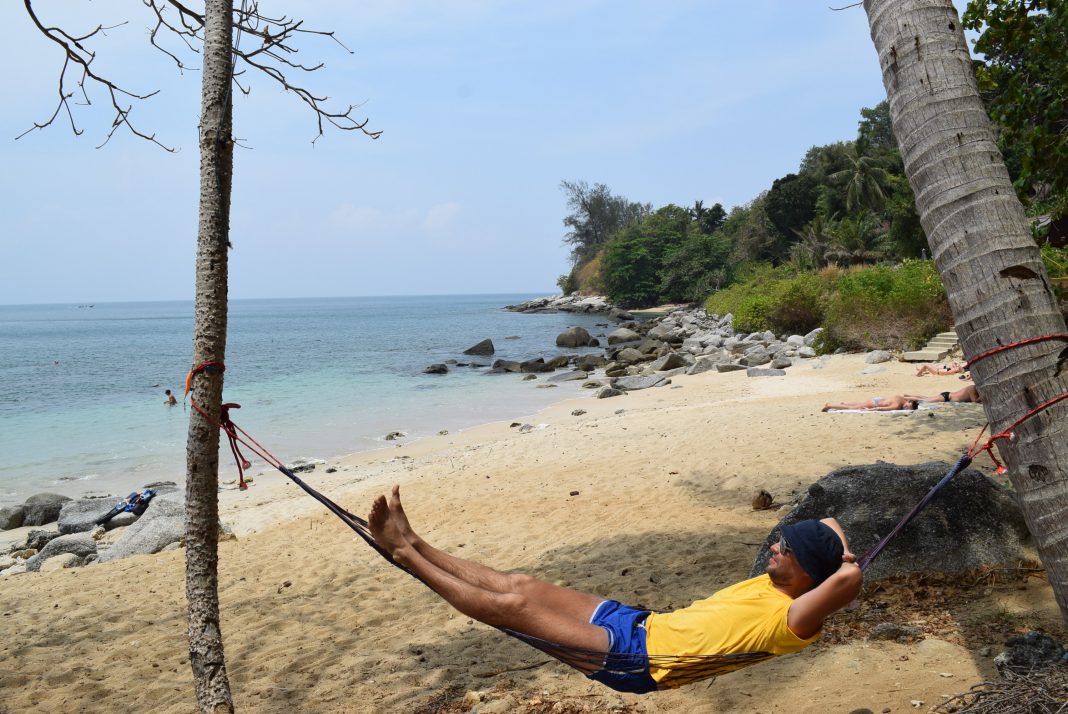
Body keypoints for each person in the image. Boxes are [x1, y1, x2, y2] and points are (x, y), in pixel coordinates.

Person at [367, 485, 862, 693]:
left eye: (787, 549)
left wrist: (843, 565)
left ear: (810, 578)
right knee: (523, 584)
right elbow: (828, 520)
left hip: (640, 661)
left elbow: (848, 579)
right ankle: (416, 543)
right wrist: (835, 548)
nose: (775, 546)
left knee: (511, 606)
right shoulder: (777, 579)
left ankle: (402, 554)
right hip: (641, 623)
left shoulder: (795, 621)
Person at [821, 395, 920, 412]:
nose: (906, 408)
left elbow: (914, 398)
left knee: (857, 404)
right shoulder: (897, 405)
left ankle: (844, 403)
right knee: (852, 408)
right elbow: (882, 409)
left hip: (878, 399)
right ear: (908, 402)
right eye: (908, 406)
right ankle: (829, 406)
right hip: (875, 404)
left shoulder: (901, 398)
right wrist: (870, 410)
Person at [903, 384, 981, 404]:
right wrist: (982, 397)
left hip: (948, 395)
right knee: (924, 400)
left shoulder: (973, 388)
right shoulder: (972, 389)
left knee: (927, 397)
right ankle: (906, 398)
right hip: (947, 397)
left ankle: (909, 396)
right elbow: (975, 402)